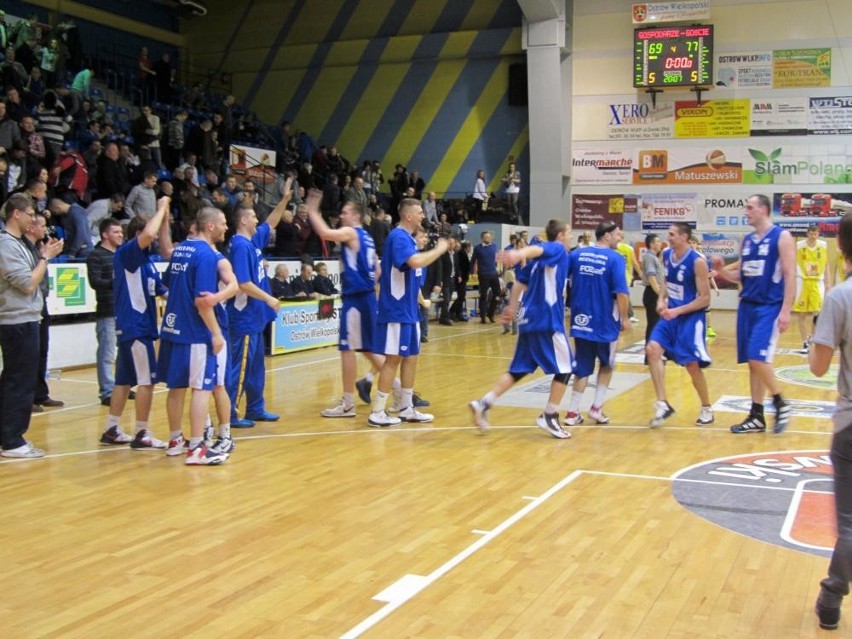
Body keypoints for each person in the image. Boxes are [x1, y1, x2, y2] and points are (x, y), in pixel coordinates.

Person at [469, 219, 575, 438]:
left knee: (519, 369)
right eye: (569, 233)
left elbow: (519, 283)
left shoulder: (536, 263)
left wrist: (511, 307)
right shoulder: (558, 249)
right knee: (565, 368)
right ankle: (550, 415)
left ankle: (484, 403)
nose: (571, 237)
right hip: (547, 320)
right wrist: (517, 255)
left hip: (528, 319)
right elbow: (540, 247)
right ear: (561, 235)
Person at [712, 194, 795, 434]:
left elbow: (790, 274)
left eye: (749, 207)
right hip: (747, 304)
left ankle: (780, 402)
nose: (745, 211)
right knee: (752, 362)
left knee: (758, 357)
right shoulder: (746, 240)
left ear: (763, 209)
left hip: (769, 305)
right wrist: (721, 272)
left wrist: (786, 310)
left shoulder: (782, 236)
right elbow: (742, 276)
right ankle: (756, 415)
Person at [158, 207, 232, 465]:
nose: (226, 227)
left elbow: (166, 283)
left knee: (176, 387)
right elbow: (203, 301)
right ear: (210, 225)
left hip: (171, 328)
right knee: (203, 388)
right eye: (223, 223)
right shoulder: (205, 255)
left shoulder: (181, 249)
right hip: (194, 333)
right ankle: (197, 448)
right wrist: (215, 333)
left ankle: (176, 440)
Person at [98, 198, 173, 449]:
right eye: (147, 237)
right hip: (135, 327)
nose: (152, 241)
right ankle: (142, 433)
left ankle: (111, 429)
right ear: (138, 234)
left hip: (137, 328)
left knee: (123, 382)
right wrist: (162, 207)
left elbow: (164, 292)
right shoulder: (127, 253)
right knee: (147, 381)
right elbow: (151, 231)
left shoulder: (146, 263)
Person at [305, 194, 386, 418]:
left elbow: (324, 234)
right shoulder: (367, 238)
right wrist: (370, 285)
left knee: (347, 349)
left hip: (356, 298)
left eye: (345, 212)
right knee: (368, 349)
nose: (341, 215)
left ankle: (348, 403)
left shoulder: (352, 232)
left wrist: (313, 211)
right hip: (367, 296)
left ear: (356, 216)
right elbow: (378, 270)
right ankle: (398, 391)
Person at [368, 198, 448, 427]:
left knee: (411, 357)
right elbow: (414, 262)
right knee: (393, 359)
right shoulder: (399, 237)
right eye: (420, 212)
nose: (424, 215)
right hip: (397, 310)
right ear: (409, 216)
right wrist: (439, 249)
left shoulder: (408, 240)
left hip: (409, 310)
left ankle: (406, 407)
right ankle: (378, 411)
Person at [809, 213, 852, 631]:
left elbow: (819, 367)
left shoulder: (840, 296)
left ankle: (832, 594)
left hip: (850, 425)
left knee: (851, 524)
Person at [0, 194, 64, 458]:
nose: (32, 218)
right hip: (17, 320)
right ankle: (13, 441)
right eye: (29, 213)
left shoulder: (17, 243)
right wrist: (45, 258)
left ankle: (7, 435)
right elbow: (27, 283)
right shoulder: (6, 244)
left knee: (14, 379)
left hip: (23, 319)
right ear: (16, 213)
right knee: (20, 380)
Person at [226, 179, 292, 427]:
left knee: (255, 367)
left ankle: (255, 408)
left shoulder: (252, 241)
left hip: (254, 317)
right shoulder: (241, 246)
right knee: (240, 368)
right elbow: (243, 283)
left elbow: (270, 223)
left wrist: (285, 199)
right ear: (243, 220)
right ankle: (231, 414)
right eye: (252, 216)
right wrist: (269, 298)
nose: (257, 220)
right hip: (243, 318)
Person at [646, 223, 713, 427]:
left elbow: (705, 299)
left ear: (685, 237)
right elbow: (667, 280)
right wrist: (661, 300)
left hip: (691, 317)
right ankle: (662, 403)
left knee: (691, 366)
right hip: (671, 314)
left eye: (673, 234)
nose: (669, 237)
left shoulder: (698, 262)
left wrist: (677, 310)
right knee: (652, 349)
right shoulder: (666, 254)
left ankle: (706, 407)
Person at [563, 221, 629, 427]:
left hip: (581, 320)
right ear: (607, 236)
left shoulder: (576, 255)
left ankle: (572, 412)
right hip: (605, 323)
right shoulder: (615, 258)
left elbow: (560, 280)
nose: (620, 238)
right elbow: (621, 292)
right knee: (607, 364)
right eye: (618, 234)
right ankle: (596, 408)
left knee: (582, 367)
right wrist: (625, 318)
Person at [24, 211, 64, 412]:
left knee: (42, 351)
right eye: (42, 225)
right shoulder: (25, 250)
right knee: (29, 354)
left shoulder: (39, 248)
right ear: (31, 226)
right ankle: (26, 397)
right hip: (29, 305)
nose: (45, 229)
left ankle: (40, 393)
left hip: (42, 303)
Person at [86, 217, 124, 406]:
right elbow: (95, 282)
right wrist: (116, 281)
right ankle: (108, 392)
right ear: (105, 234)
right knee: (107, 353)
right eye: (116, 232)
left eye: (121, 232)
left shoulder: (120, 254)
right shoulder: (95, 255)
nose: (120, 235)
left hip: (123, 311)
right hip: (107, 311)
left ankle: (122, 387)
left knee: (123, 353)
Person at [794, 223, 831, 352]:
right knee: (802, 313)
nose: (813, 236)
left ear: (818, 234)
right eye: (811, 234)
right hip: (802, 281)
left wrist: (828, 282)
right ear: (807, 234)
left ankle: (814, 340)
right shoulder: (799, 246)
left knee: (817, 313)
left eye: (815, 234)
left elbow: (826, 265)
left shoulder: (823, 246)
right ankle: (804, 342)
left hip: (817, 282)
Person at [641, 232, 664, 363]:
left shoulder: (655, 257)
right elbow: (652, 278)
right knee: (653, 325)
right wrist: (660, 295)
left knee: (656, 325)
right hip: (652, 294)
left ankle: (654, 354)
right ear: (652, 244)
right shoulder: (649, 258)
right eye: (658, 241)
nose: (660, 244)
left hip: (654, 293)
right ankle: (649, 357)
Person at [471, 230, 500, 323]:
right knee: (483, 296)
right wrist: (472, 272)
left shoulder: (494, 246)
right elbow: (473, 261)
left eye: (489, 237)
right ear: (482, 238)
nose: (489, 238)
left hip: (493, 275)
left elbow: (495, 259)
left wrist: (497, 268)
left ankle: (491, 314)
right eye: (486, 237)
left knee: (497, 295)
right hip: (483, 275)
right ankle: (483, 317)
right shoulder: (477, 248)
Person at [615, 232, 641, 323]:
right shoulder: (629, 248)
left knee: (619, 296)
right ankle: (629, 315)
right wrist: (640, 274)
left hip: (616, 275)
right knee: (625, 296)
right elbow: (635, 263)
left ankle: (625, 315)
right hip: (626, 275)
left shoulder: (612, 247)